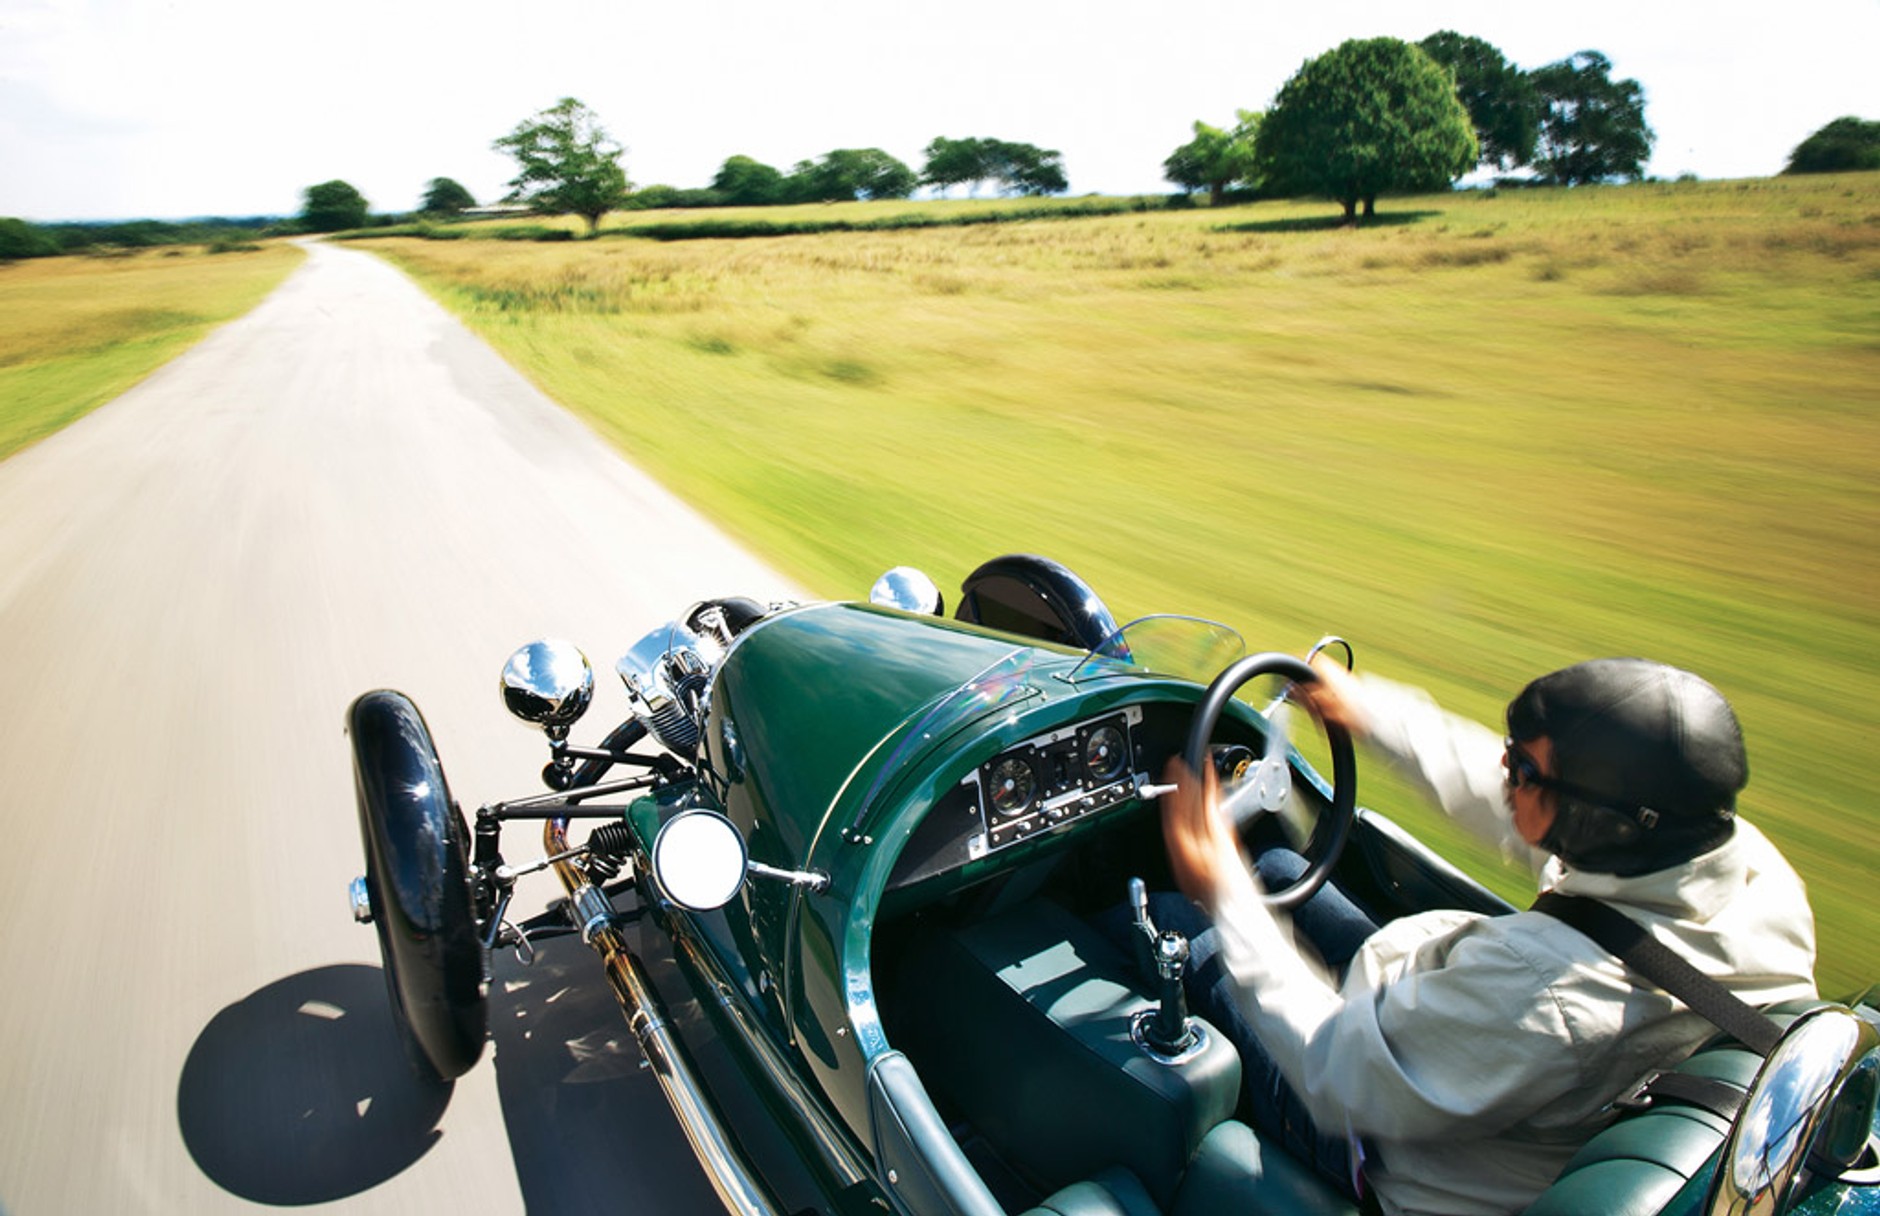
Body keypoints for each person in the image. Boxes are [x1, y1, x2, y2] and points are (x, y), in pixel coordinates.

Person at [1155, 655, 1817, 1216]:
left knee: (1171, 918)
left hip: (1387, 1139)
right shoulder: (1746, 873)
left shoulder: (1549, 992)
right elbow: (1515, 808)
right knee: (1277, 868)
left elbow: (1334, 1068)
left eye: (1521, 770)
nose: (1505, 773)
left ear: (1592, 821)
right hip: (1464, 1057)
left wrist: (1221, 892)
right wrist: (1370, 714)